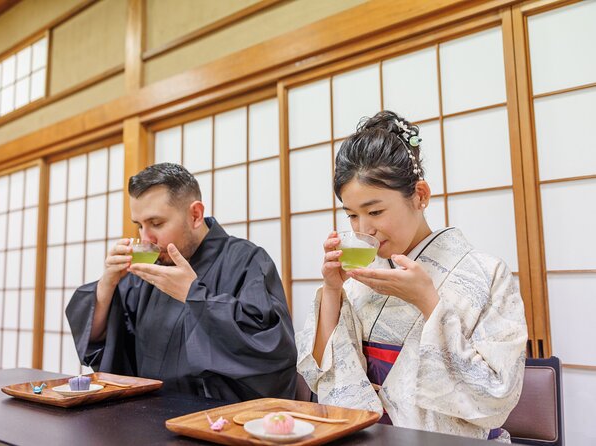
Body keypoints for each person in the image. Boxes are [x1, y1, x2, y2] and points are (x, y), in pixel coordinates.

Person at [295, 111, 527, 441]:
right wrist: (332, 290)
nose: (364, 228)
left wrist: (428, 302)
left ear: (420, 195)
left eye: (375, 211)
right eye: (352, 215)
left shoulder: (489, 274)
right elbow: (322, 373)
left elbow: (497, 397)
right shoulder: (362, 282)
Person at [66, 163, 297, 401]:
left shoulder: (246, 260)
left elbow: (272, 349)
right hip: (145, 416)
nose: (146, 238)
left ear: (195, 215)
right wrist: (108, 282)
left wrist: (193, 294)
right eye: (139, 226)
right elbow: (103, 338)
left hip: (216, 420)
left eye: (156, 223)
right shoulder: (151, 268)